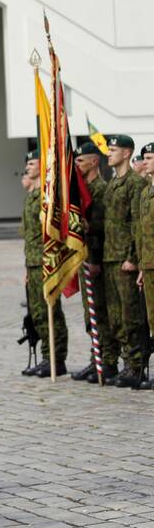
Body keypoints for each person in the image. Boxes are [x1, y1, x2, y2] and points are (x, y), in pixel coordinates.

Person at [102, 135, 147, 387]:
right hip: (110, 256)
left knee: (131, 315)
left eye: (113, 150)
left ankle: (136, 365)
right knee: (115, 316)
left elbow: (136, 224)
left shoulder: (134, 184)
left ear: (127, 153)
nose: (108, 153)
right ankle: (124, 362)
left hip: (124, 260)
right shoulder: (112, 183)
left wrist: (133, 257)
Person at [21, 149, 67, 377]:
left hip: (46, 260)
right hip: (33, 262)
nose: (28, 167)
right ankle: (47, 355)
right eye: (27, 163)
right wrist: (27, 267)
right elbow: (29, 235)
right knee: (38, 313)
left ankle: (57, 358)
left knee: (51, 310)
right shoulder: (32, 195)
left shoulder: (46, 197)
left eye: (32, 163)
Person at [71, 143, 114, 382]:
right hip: (86, 258)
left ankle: (107, 361)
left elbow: (103, 230)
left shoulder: (100, 190)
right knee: (91, 313)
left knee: (101, 311)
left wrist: (95, 260)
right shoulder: (82, 189)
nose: (77, 166)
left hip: (98, 259)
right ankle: (95, 358)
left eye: (80, 162)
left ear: (94, 162)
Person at [135, 142, 154, 389]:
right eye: (145, 158)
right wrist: (141, 265)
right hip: (149, 265)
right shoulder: (145, 192)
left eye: (150, 157)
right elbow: (141, 233)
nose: (146, 161)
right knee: (152, 320)